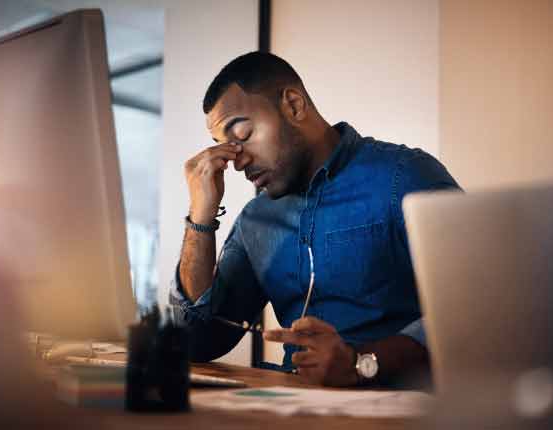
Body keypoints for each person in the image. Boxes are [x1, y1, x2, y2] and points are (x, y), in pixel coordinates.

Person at [170, 52, 460, 387]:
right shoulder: (256, 220)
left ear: (293, 105)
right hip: (294, 411)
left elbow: (474, 308)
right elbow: (197, 341)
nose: (237, 162)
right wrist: (200, 217)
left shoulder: (405, 176)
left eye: (244, 135)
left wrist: (359, 363)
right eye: (225, 147)